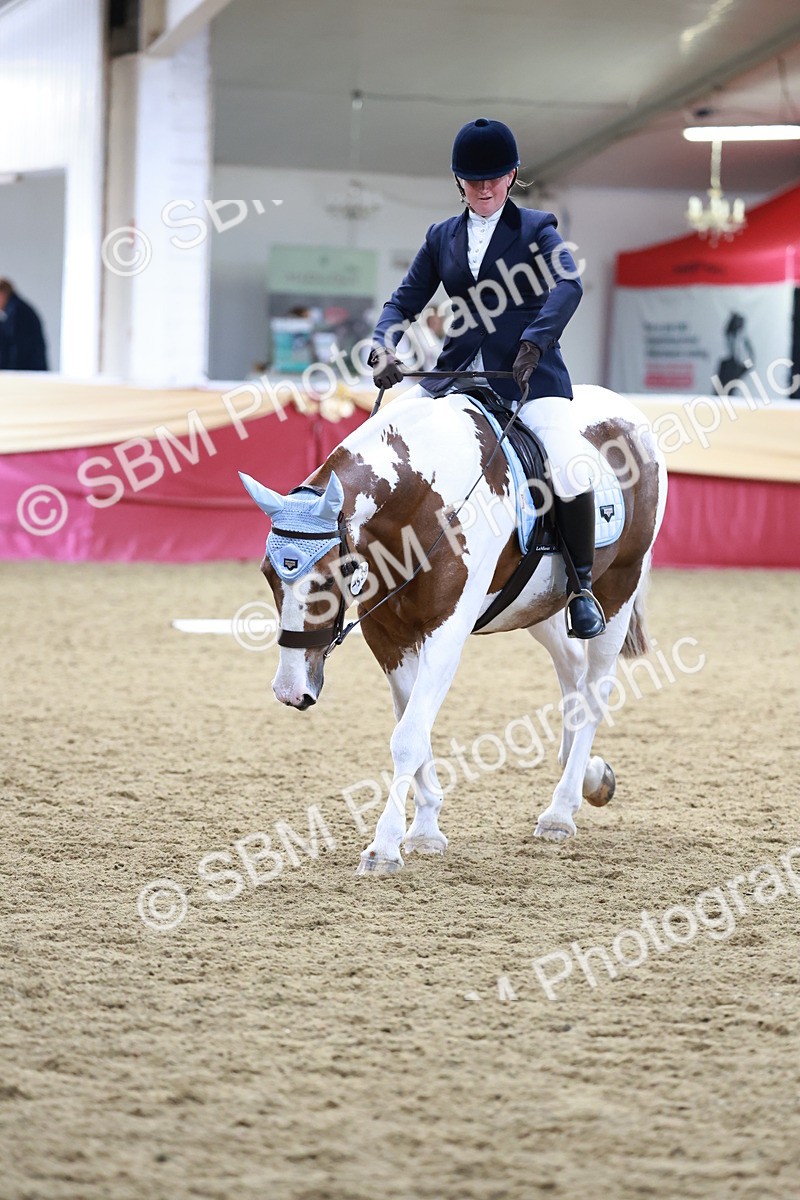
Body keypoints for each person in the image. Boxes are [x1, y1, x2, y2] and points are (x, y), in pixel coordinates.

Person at [368, 118, 605, 639]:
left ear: (512, 175)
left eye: (494, 178)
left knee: (568, 466)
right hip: (455, 376)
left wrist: (534, 342)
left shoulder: (538, 227)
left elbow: (568, 284)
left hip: (527, 375)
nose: (484, 188)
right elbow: (402, 302)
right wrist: (385, 343)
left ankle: (581, 588)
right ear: (459, 180)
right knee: (388, 438)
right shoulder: (441, 237)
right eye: (473, 180)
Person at [0, 279, 49, 371]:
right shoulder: (16, 309)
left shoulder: (17, 311)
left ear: (3, 293)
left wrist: (9, 371)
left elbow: (18, 348)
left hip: (27, 371)